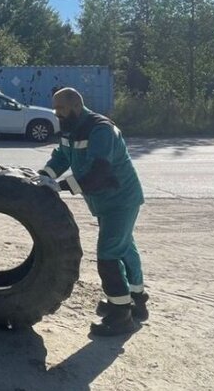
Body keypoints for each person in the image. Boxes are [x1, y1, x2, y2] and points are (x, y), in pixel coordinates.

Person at [40, 87, 148, 337]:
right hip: (105, 202)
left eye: (61, 109)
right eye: (55, 110)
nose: (57, 114)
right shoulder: (71, 127)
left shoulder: (101, 129)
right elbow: (61, 156)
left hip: (120, 200)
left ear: (76, 107)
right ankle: (136, 301)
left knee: (109, 254)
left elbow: (99, 172)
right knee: (125, 248)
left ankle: (121, 316)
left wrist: (61, 186)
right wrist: (43, 177)